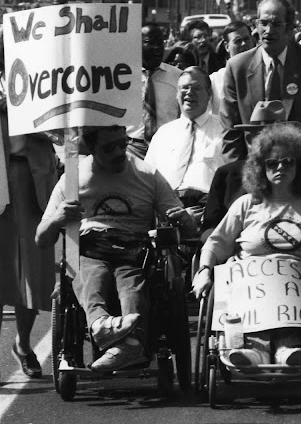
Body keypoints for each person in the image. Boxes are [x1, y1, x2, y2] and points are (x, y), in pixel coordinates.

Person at [35, 125, 197, 372]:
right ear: (91, 148)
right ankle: (102, 324)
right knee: (91, 272)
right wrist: (57, 218)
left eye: (123, 143)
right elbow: (41, 239)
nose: (120, 151)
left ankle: (130, 343)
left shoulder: (147, 174)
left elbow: (187, 230)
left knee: (129, 278)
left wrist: (184, 221)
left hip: (133, 247)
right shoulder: (71, 179)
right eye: (109, 148)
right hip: (90, 245)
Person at [191, 123, 301, 366]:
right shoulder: (246, 204)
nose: (280, 167)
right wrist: (204, 271)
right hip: (250, 285)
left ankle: (289, 347)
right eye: (272, 163)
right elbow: (217, 242)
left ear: (300, 165)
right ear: (259, 167)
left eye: (288, 162)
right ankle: (256, 349)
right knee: (256, 297)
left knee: (290, 301)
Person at [0, 26, 58, 379]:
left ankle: (23, 342)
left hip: (31, 182)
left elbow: (55, 126)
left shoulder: (44, 84)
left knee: (32, 273)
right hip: (1, 180)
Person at [219, 0, 301, 161]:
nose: (269, 31)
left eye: (276, 24)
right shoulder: (237, 67)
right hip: (251, 168)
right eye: (263, 23)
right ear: (256, 25)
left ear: (289, 27)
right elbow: (230, 129)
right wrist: (243, 175)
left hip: (299, 168)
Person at [145, 66, 225, 216]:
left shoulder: (224, 130)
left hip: (208, 208)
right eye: (184, 88)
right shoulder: (163, 133)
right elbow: (148, 179)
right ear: (176, 94)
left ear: (209, 94)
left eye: (196, 88)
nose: (189, 93)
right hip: (166, 208)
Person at [201, 100, 287, 237]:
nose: (270, 144)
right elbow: (209, 228)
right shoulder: (227, 175)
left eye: (278, 138)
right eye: (262, 137)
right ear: (249, 139)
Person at [128, 22, 182, 159]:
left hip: (168, 150)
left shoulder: (179, 77)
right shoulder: (122, 76)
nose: (157, 48)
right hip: (131, 150)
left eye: (160, 43)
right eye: (149, 42)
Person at [209, 21, 254, 104]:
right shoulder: (215, 81)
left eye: (246, 39)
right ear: (227, 46)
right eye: (238, 41)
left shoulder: (263, 73)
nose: (243, 44)